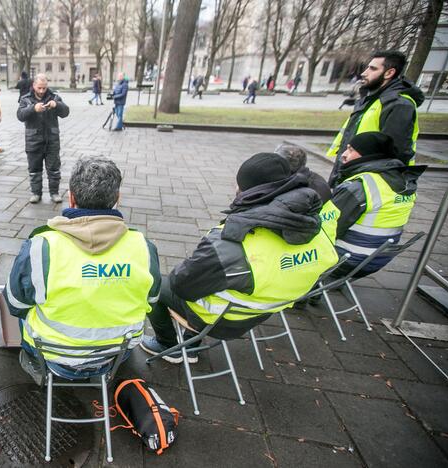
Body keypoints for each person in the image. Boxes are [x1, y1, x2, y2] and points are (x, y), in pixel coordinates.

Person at [140, 153, 339, 363]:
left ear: (249, 190)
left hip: (225, 320)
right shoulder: (318, 230)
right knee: (217, 279)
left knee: (154, 285)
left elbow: (182, 286)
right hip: (262, 310)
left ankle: (169, 345)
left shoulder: (231, 242)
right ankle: (190, 339)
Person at [4, 156, 161, 381]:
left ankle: (36, 364)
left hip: (53, 355)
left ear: (71, 197)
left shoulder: (41, 246)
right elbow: (153, 300)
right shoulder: (143, 247)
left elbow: (16, 303)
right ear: (117, 198)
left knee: (27, 309)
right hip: (116, 356)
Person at [329, 132, 425, 280]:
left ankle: (301, 295)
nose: (344, 154)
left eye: (351, 150)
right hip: (377, 259)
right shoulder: (403, 180)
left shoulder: (360, 185)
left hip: (346, 259)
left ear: (368, 154)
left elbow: (328, 227)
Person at [326, 50, 424, 186]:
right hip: (353, 173)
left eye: (372, 68)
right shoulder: (371, 99)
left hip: (367, 181)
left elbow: (396, 153)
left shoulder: (398, 104)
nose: (364, 73)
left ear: (389, 73)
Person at [17, 74, 70, 204]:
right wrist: (33, 108)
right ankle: (36, 193)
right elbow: (20, 115)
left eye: (44, 88)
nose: (41, 91)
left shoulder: (54, 97)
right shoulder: (25, 99)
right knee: (34, 169)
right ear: (34, 85)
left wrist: (56, 105)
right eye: (39, 88)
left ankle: (54, 193)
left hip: (52, 140)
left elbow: (66, 112)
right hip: (33, 140)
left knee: (54, 169)